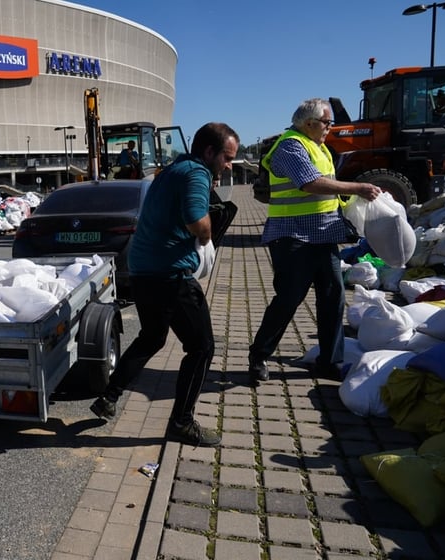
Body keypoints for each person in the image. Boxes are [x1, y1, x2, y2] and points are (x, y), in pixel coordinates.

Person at [89, 122, 240, 447]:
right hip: (169, 276)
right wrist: (209, 229)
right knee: (202, 348)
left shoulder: (171, 170)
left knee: (152, 337)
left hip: (143, 271)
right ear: (210, 152)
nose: (229, 166)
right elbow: (197, 223)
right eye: (227, 158)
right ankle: (182, 423)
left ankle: (109, 396)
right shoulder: (196, 174)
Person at [247, 99, 381, 386]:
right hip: (293, 237)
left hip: (324, 235)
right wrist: (358, 187)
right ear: (309, 123)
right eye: (326, 123)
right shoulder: (290, 145)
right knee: (289, 299)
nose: (330, 128)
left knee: (333, 296)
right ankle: (258, 355)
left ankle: (329, 362)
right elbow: (309, 183)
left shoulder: (320, 148)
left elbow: (327, 190)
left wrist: (349, 202)